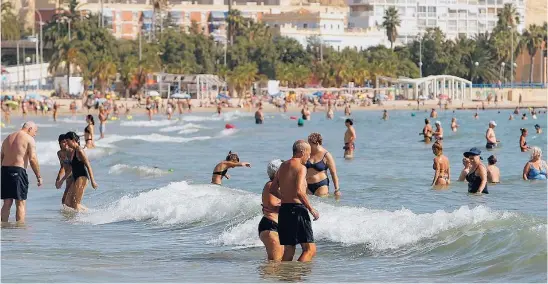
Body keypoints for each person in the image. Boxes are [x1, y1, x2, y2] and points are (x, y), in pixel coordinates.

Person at [269, 140, 319, 262]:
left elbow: (273, 189)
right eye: (308, 153)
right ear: (302, 152)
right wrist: (311, 209)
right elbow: (299, 191)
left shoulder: (283, 166)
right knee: (309, 249)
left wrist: (285, 198)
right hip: (297, 210)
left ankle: (286, 277)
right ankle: (297, 277)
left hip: (285, 210)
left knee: (289, 249)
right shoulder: (301, 168)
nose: (309, 157)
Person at [1, 122, 42, 223]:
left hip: (5, 170)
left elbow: (1, 156)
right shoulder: (29, 139)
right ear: (29, 128)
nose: (35, 134)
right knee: (20, 203)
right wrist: (38, 176)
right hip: (18, 171)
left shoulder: (8, 137)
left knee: (7, 202)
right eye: (35, 131)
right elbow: (32, 159)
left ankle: (3, 227)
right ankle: (19, 230)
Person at [61, 132, 98, 211]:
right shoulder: (73, 151)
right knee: (67, 203)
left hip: (82, 177)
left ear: (73, 140)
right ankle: (85, 213)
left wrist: (93, 181)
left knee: (76, 204)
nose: (66, 143)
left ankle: (87, 215)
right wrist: (62, 180)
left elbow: (88, 165)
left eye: (68, 140)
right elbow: (71, 168)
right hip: (75, 178)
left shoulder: (79, 150)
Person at [259, 159, 284, 261]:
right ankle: (266, 276)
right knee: (275, 262)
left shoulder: (278, 186)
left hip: (276, 226)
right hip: (270, 225)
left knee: (278, 261)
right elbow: (272, 205)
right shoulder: (270, 185)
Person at [306, 133, 340, 197]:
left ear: (317, 143)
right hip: (307, 185)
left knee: (321, 205)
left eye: (310, 143)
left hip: (321, 185)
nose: (308, 145)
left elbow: (333, 173)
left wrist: (337, 189)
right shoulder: (307, 153)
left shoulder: (326, 155)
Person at [55, 134, 73, 205]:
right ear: (59, 143)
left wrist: (62, 180)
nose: (65, 144)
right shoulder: (59, 153)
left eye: (66, 141)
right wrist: (58, 179)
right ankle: (70, 216)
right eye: (63, 142)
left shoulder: (71, 151)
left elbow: (72, 168)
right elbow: (62, 166)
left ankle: (83, 214)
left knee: (71, 201)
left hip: (75, 177)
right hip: (68, 178)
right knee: (64, 201)